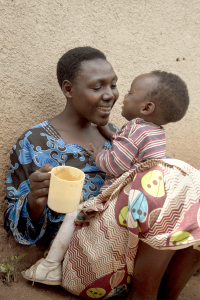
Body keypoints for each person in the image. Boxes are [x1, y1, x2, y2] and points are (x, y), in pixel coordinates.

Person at [22, 70, 200, 300]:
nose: (118, 96)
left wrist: (98, 155)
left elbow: (116, 164)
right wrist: (104, 128)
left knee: (73, 215)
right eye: (98, 87)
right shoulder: (155, 132)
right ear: (69, 89)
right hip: (146, 211)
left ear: (146, 108)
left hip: (118, 201)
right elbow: (122, 140)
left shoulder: (135, 128)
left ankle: (50, 265)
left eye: (127, 92)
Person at [4, 46, 119, 246]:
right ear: (68, 89)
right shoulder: (34, 143)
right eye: (97, 87)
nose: (110, 95)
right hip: (77, 251)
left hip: (125, 237)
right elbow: (12, 220)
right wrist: (33, 202)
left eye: (113, 85)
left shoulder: (115, 136)